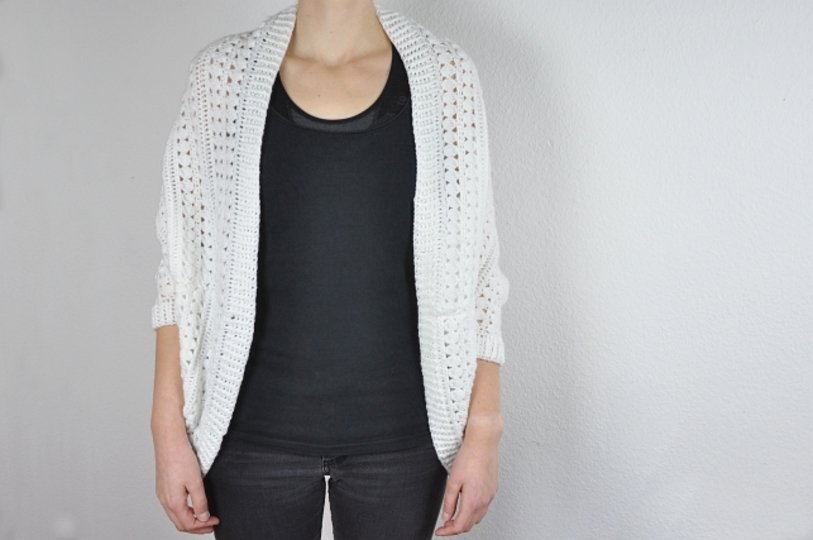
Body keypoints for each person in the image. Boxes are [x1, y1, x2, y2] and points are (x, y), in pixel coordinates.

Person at [150, 1, 510, 538]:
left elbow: (478, 272)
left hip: (404, 443)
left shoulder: (445, 76)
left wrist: (484, 430)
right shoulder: (221, 77)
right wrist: (166, 430)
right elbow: (181, 272)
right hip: (249, 440)